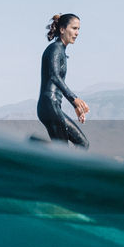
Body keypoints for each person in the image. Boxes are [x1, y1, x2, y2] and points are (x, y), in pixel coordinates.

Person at [37, 13, 90, 148]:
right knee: (78, 145)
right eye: (74, 28)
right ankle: (34, 146)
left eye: (78, 29)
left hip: (50, 107)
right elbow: (54, 76)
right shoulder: (55, 49)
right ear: (62, 29)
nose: (77, 33)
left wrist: (75, 106)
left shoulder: (60, 50)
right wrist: (75, 100)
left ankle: (36, 145)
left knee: (73, 146)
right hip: (50, 106)